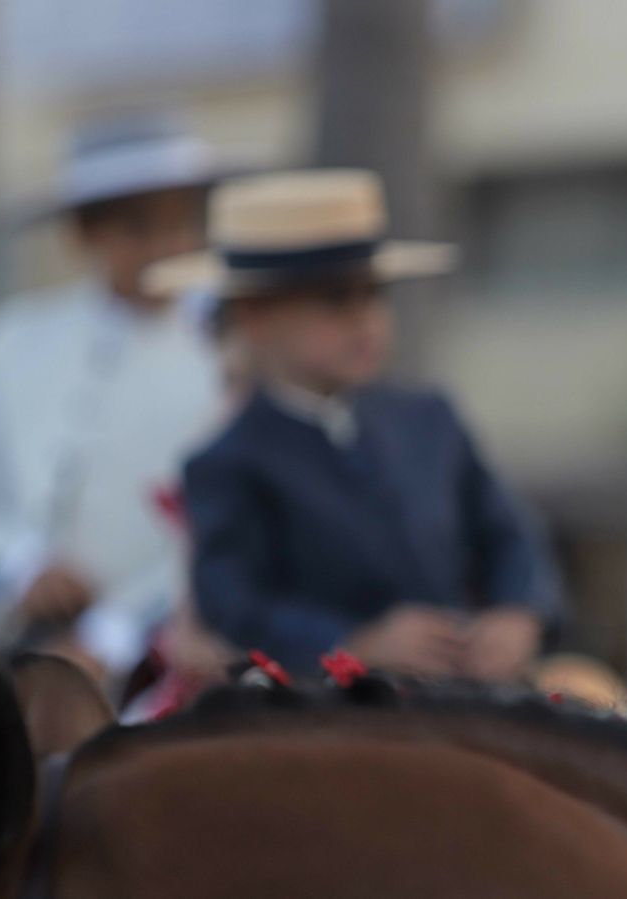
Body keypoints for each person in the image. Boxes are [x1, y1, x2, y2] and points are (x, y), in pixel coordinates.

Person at [162, 169, 562, 679]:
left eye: (374, 295)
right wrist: (355, 644)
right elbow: (234, 603)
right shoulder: (227, 460)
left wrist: (517, 613)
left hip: (468, 689)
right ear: (255, 315)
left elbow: (509, 534)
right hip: (328, 711)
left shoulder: (429, 418)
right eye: (335, 301)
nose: (365, 319)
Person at [0, 116, 224, 682]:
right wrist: (21, 565)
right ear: (87, 234)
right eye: (139, 227)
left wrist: (115, 629)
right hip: (14, 639)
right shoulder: (17, 338)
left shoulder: (223, 346)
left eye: (181, 222)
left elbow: (221, 527)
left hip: (168, 655)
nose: (168, 246)